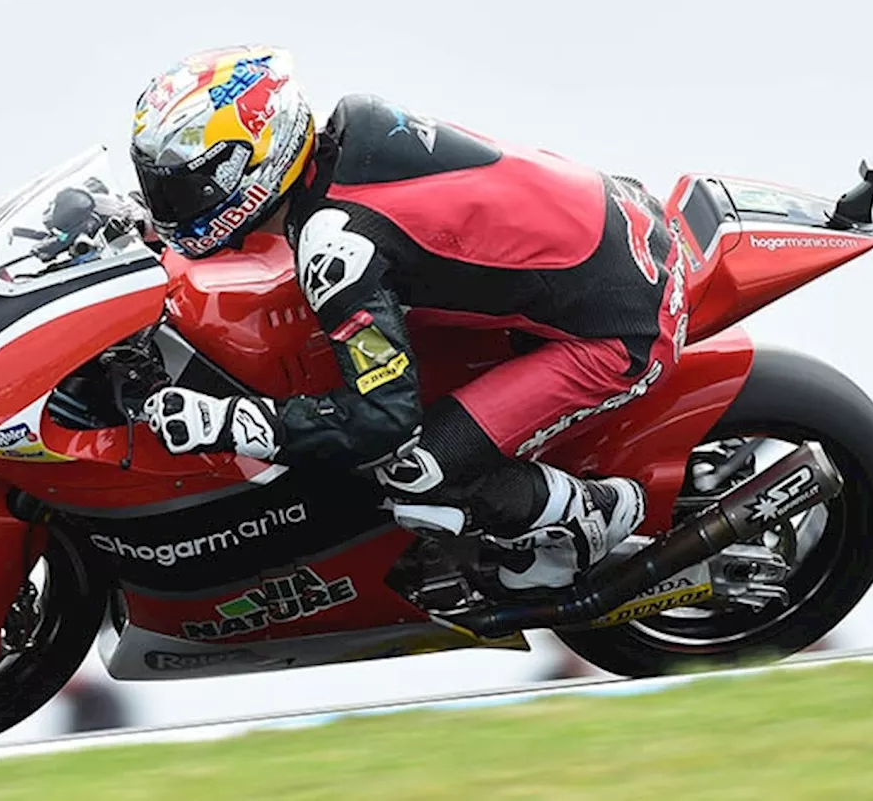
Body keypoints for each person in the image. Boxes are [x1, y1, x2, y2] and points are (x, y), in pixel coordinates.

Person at [130, 45, 688, 593]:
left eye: (179, 188)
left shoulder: (337, 245)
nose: (169, 203)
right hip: (620, 218)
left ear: (254, 161)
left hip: (623, 326)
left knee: (415, 473)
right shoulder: (350, 126)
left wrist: (231, 422)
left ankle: (592, 513)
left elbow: (382, 421)